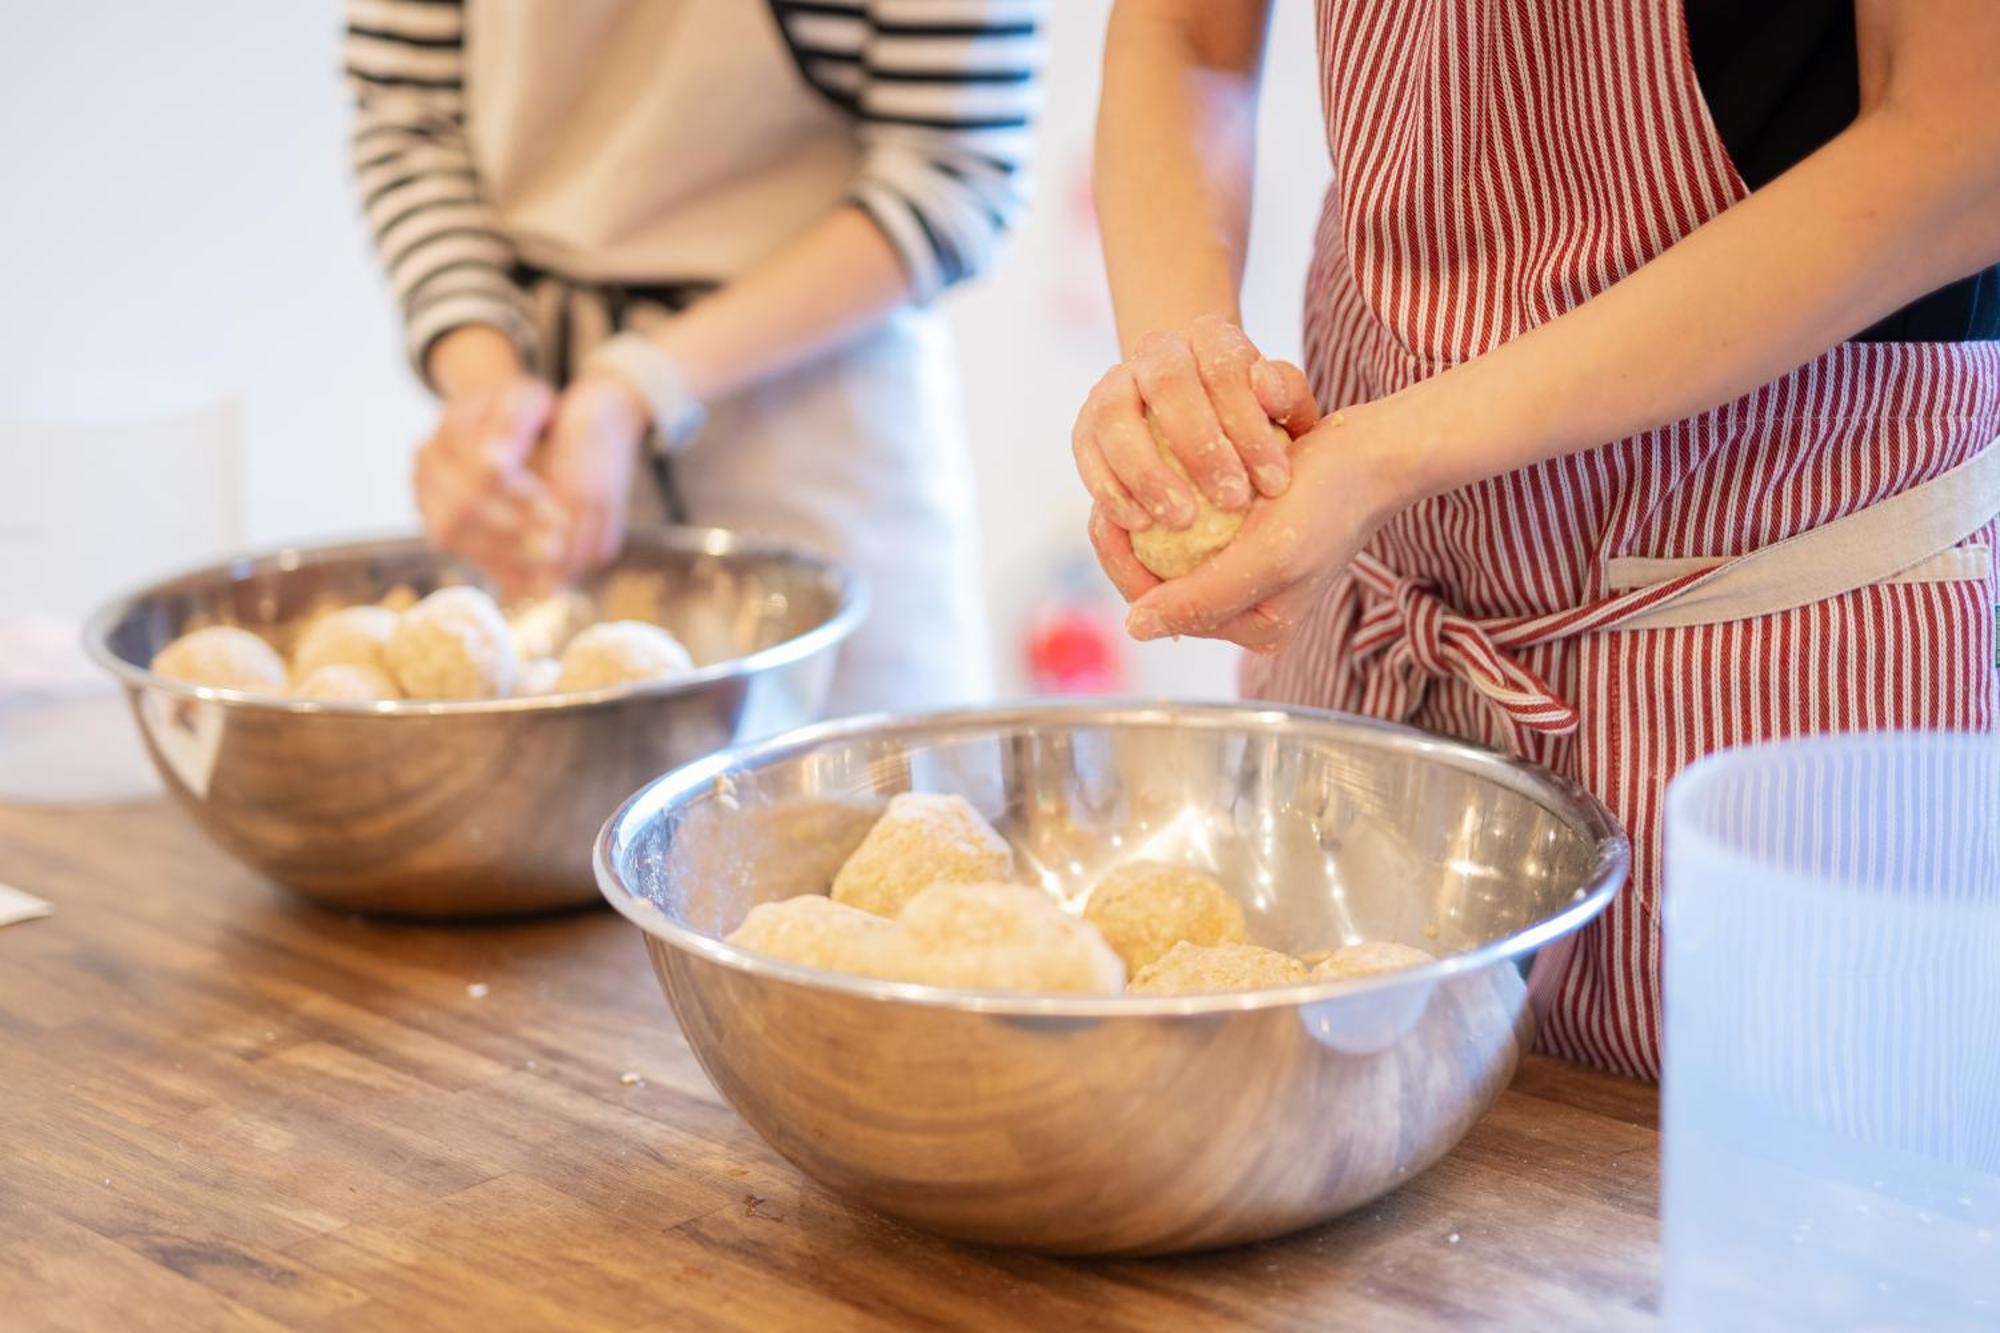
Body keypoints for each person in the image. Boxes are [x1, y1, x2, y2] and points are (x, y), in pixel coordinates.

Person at [1075, 0, 2000, 1080]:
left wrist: (1389, 454)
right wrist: (1189, 375)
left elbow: (1960, 151)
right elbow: (1186, 37)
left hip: (1776, 684)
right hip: (1378, 636)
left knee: (1760, 1218)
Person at [346, 1, 1045, 713]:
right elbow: (408, 122)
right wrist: (488, 393)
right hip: (547, 425)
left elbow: (956, 165)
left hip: (817, 402)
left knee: (863, 793)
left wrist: (642, 383)